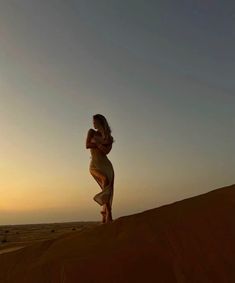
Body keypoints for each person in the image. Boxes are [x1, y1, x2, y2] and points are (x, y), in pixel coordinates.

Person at [86, 114, 115, 224]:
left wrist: (100, 143)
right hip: (94, 164)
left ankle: (105, 215)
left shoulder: (109, 138)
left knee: (107, 188)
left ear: (100, 122)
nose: (93, 123)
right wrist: (99, 143)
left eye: (94, 121)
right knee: (104, 180)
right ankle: (109, 212)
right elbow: (87, 145)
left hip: (106, 165)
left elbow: (106, 152)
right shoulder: (91, 132)